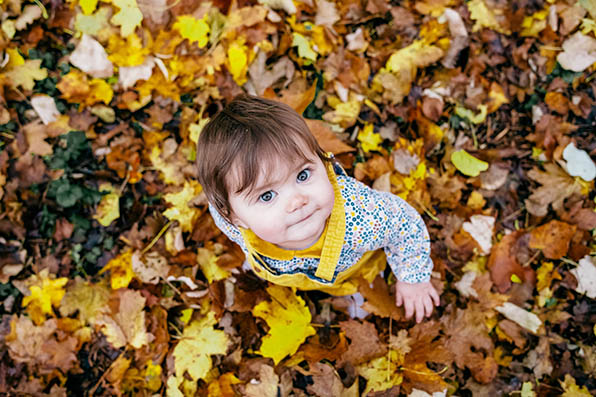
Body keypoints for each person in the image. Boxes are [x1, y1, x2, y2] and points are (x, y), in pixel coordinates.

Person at [196, 95, 440, 323]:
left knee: (360, 280)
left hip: (354, 267)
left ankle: (358, 292)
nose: (297, 200)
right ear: (235, 217)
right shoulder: (230, 220)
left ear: (320, 159)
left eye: (303, 175)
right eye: (267, 195)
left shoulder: (362, 217)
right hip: (292, 266)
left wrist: (413, 279)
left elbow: (405, 225)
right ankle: (267, 263)